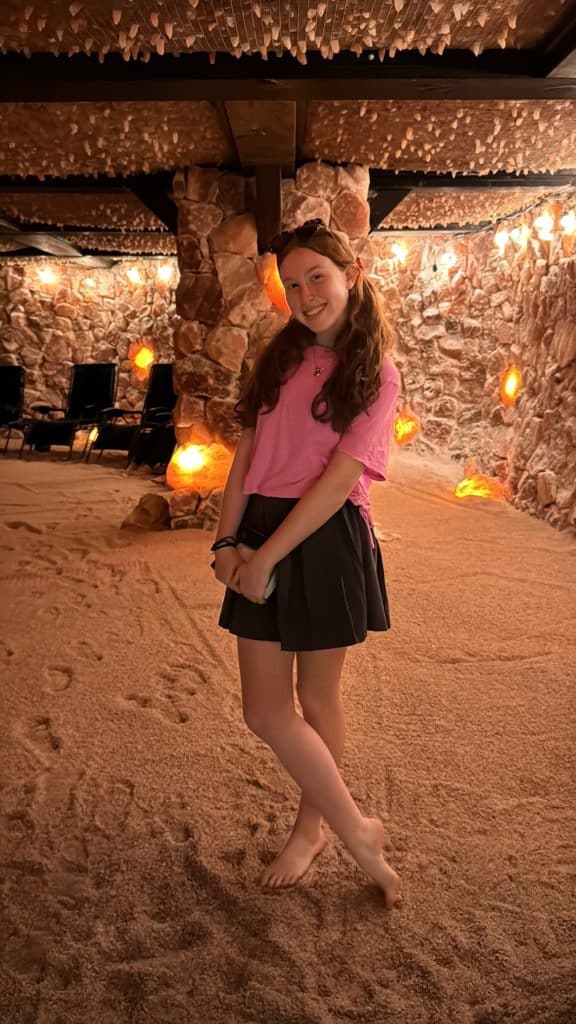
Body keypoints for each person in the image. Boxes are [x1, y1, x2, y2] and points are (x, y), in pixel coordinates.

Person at [212, 219, 402, 909]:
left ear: (351, 272)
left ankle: (316, 829)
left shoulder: (376, 372)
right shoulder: (278, 357)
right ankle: (360, 827)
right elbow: (245, 457)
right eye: (292, 284)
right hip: (259, 525)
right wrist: (226, 542)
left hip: (323, 537)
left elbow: (336, 480)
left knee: (317, 699)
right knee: (264, 709)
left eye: (316, 277)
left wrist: (267, 556)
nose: (304, 294)